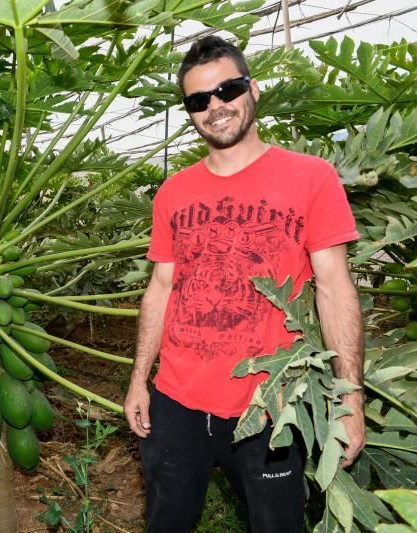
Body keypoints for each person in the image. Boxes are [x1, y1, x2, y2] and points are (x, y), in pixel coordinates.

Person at [123, 36, 365, 533]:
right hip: (175, 402)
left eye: (227, 89)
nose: (215, 107)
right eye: (197, 100)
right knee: (164, 522)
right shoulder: (174, 190)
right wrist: (138, 379)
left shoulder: (311, 178)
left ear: (252, 89)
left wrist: (349, 401)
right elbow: (161, 288)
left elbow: (335, 288)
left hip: (270, 404)